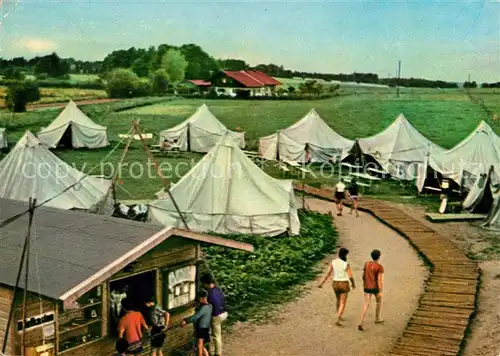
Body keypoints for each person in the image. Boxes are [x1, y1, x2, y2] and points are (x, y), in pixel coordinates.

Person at [318, 248, 355, 326]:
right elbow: (350, 276)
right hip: (344, 283)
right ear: (345, 255)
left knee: (338, 300)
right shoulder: (346, 264)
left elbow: (328, 273)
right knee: (343, 302)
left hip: (335, 283)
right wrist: (353, 284)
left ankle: (339, 315)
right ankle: (338, 318)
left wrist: (322, 283)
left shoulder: (333, 262)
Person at [201, 273, 228, 356]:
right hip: (224, 313)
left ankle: (217, 354)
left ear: (205, 283)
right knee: (215, 333)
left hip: (217, 315)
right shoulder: (217, 289)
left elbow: (210, 306)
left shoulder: (209, 293)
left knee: (216, 336)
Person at [358, 249, 385, 331]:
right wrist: (380, 291)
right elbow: (379, 280)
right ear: (379, 257)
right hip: (375, 288)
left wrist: (364, 283)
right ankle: (377, 318)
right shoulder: (380, 267)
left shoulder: (366, 264)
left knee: (366, 304)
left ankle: (361, 321)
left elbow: (363, 275)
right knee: (378, 301)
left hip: (367, 287)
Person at [181, 290, 213, 356]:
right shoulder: (210, 306)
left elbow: (196, 317)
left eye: (199, 298)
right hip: (206, 328)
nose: (198, 300)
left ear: (202, 298)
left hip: (201, 328)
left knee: (199, 346)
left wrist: (186, 321)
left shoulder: (204, 308)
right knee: (202, 346)